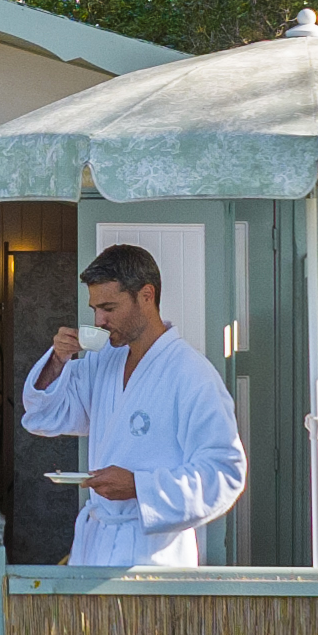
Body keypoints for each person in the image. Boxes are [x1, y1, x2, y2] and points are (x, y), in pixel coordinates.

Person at [20, 243, 246, 567]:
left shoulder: (191, 373)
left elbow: (225, 473)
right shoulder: (104, 362)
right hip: (96, 544)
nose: (99, 320)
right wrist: (58, 361)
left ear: (146, 296)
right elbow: (43, 416)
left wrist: (140, 487)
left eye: (109, 308)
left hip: (153, 553)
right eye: (95, 308)